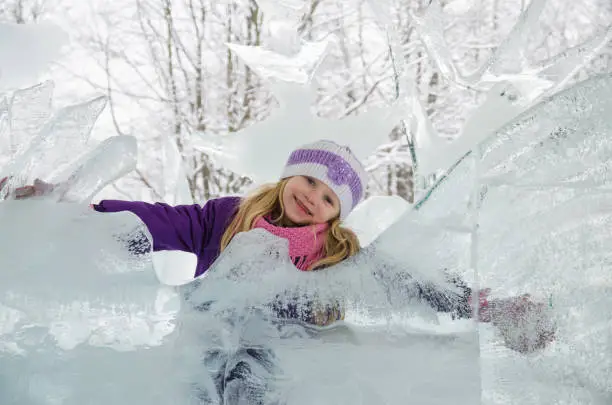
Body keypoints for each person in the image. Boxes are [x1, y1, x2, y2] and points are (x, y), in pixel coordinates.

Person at [1, 139, 555, 402]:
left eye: (330, 198)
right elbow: (157, 221)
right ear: (290, 176)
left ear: (339, 215)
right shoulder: (225, 218)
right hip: (206, 347)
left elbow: (411, 284)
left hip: (281, 362)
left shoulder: (339, 256)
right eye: (310, 182)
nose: (313, 198)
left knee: (252, 375)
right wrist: (75, 212)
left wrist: (489, 307)